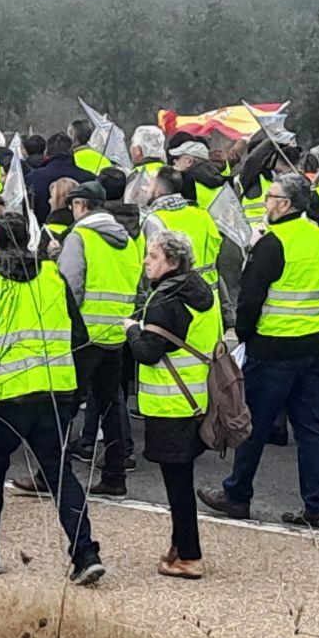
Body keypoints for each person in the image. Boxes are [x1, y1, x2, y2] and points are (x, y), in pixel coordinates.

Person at [0, 213, 103, 583]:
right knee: (58, 474)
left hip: (3, 395)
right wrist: (76, 391)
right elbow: (79, 336)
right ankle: (85, 552)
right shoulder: (53, 278)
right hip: (54, 390)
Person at [202, 172, 319, 528]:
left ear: (284, 204)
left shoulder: (272, 242)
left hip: (274, 347)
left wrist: (246, 334)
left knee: (254, 426)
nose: (265, 203)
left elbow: (250, 297)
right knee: (311, 430)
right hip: (317, 344)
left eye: (269, 197)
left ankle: (237, 495)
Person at [125, 229, 219, 578]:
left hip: (169, 403)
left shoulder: (165, 301)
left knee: (177, 485)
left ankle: (189, 555)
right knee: (180, 479)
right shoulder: (200, 289)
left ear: (173, 262)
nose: (146, 262)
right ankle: (180, 547)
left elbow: (148, 352)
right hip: (195, 398)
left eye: (152, 256)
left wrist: (132, 329)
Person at [58, 179, 142, 495]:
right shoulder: (129, 241)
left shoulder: (79, 237)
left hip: (82, 334)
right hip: (115, 333)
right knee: (111, 406)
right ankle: (115, 476)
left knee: (64, 405)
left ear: (80, 205)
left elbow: (69, 287)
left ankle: (51, 472)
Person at [143, 167, 223, 294]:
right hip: (209, 299)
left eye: (149, 184)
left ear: (158, 190)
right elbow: (219, 255)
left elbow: (150, 269)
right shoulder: (204, 216)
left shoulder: (154, 220)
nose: (145, 189)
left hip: (173, 300)